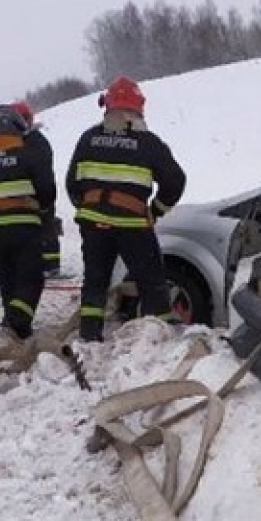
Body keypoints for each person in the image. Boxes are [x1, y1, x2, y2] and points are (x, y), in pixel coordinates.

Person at [65, 76, 186, 342]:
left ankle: (89, 337)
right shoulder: (148, 142)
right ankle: (158, 338)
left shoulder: (88, 138)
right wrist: (155, 211)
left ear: (107, 106)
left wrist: (90, 209)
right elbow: (175, 181)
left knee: (95, 282)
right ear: (138, 108)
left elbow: (72, 184)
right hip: (132, 224)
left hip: (93, 224)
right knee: (151, 281)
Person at [0, 103, 56, 339]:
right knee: (31, 277)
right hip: (24, 225)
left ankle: (14, 322)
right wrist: (39, 207)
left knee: (8, 277)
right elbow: (47, 191)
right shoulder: (28, 155)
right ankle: (17, 320)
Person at [12, 101, 64, 279]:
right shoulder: (17, 141)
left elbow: (42, 172)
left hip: (39, 193)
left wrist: (43, 198)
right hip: (22, 195)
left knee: (46, 226)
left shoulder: (36, 141)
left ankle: (51, 265)